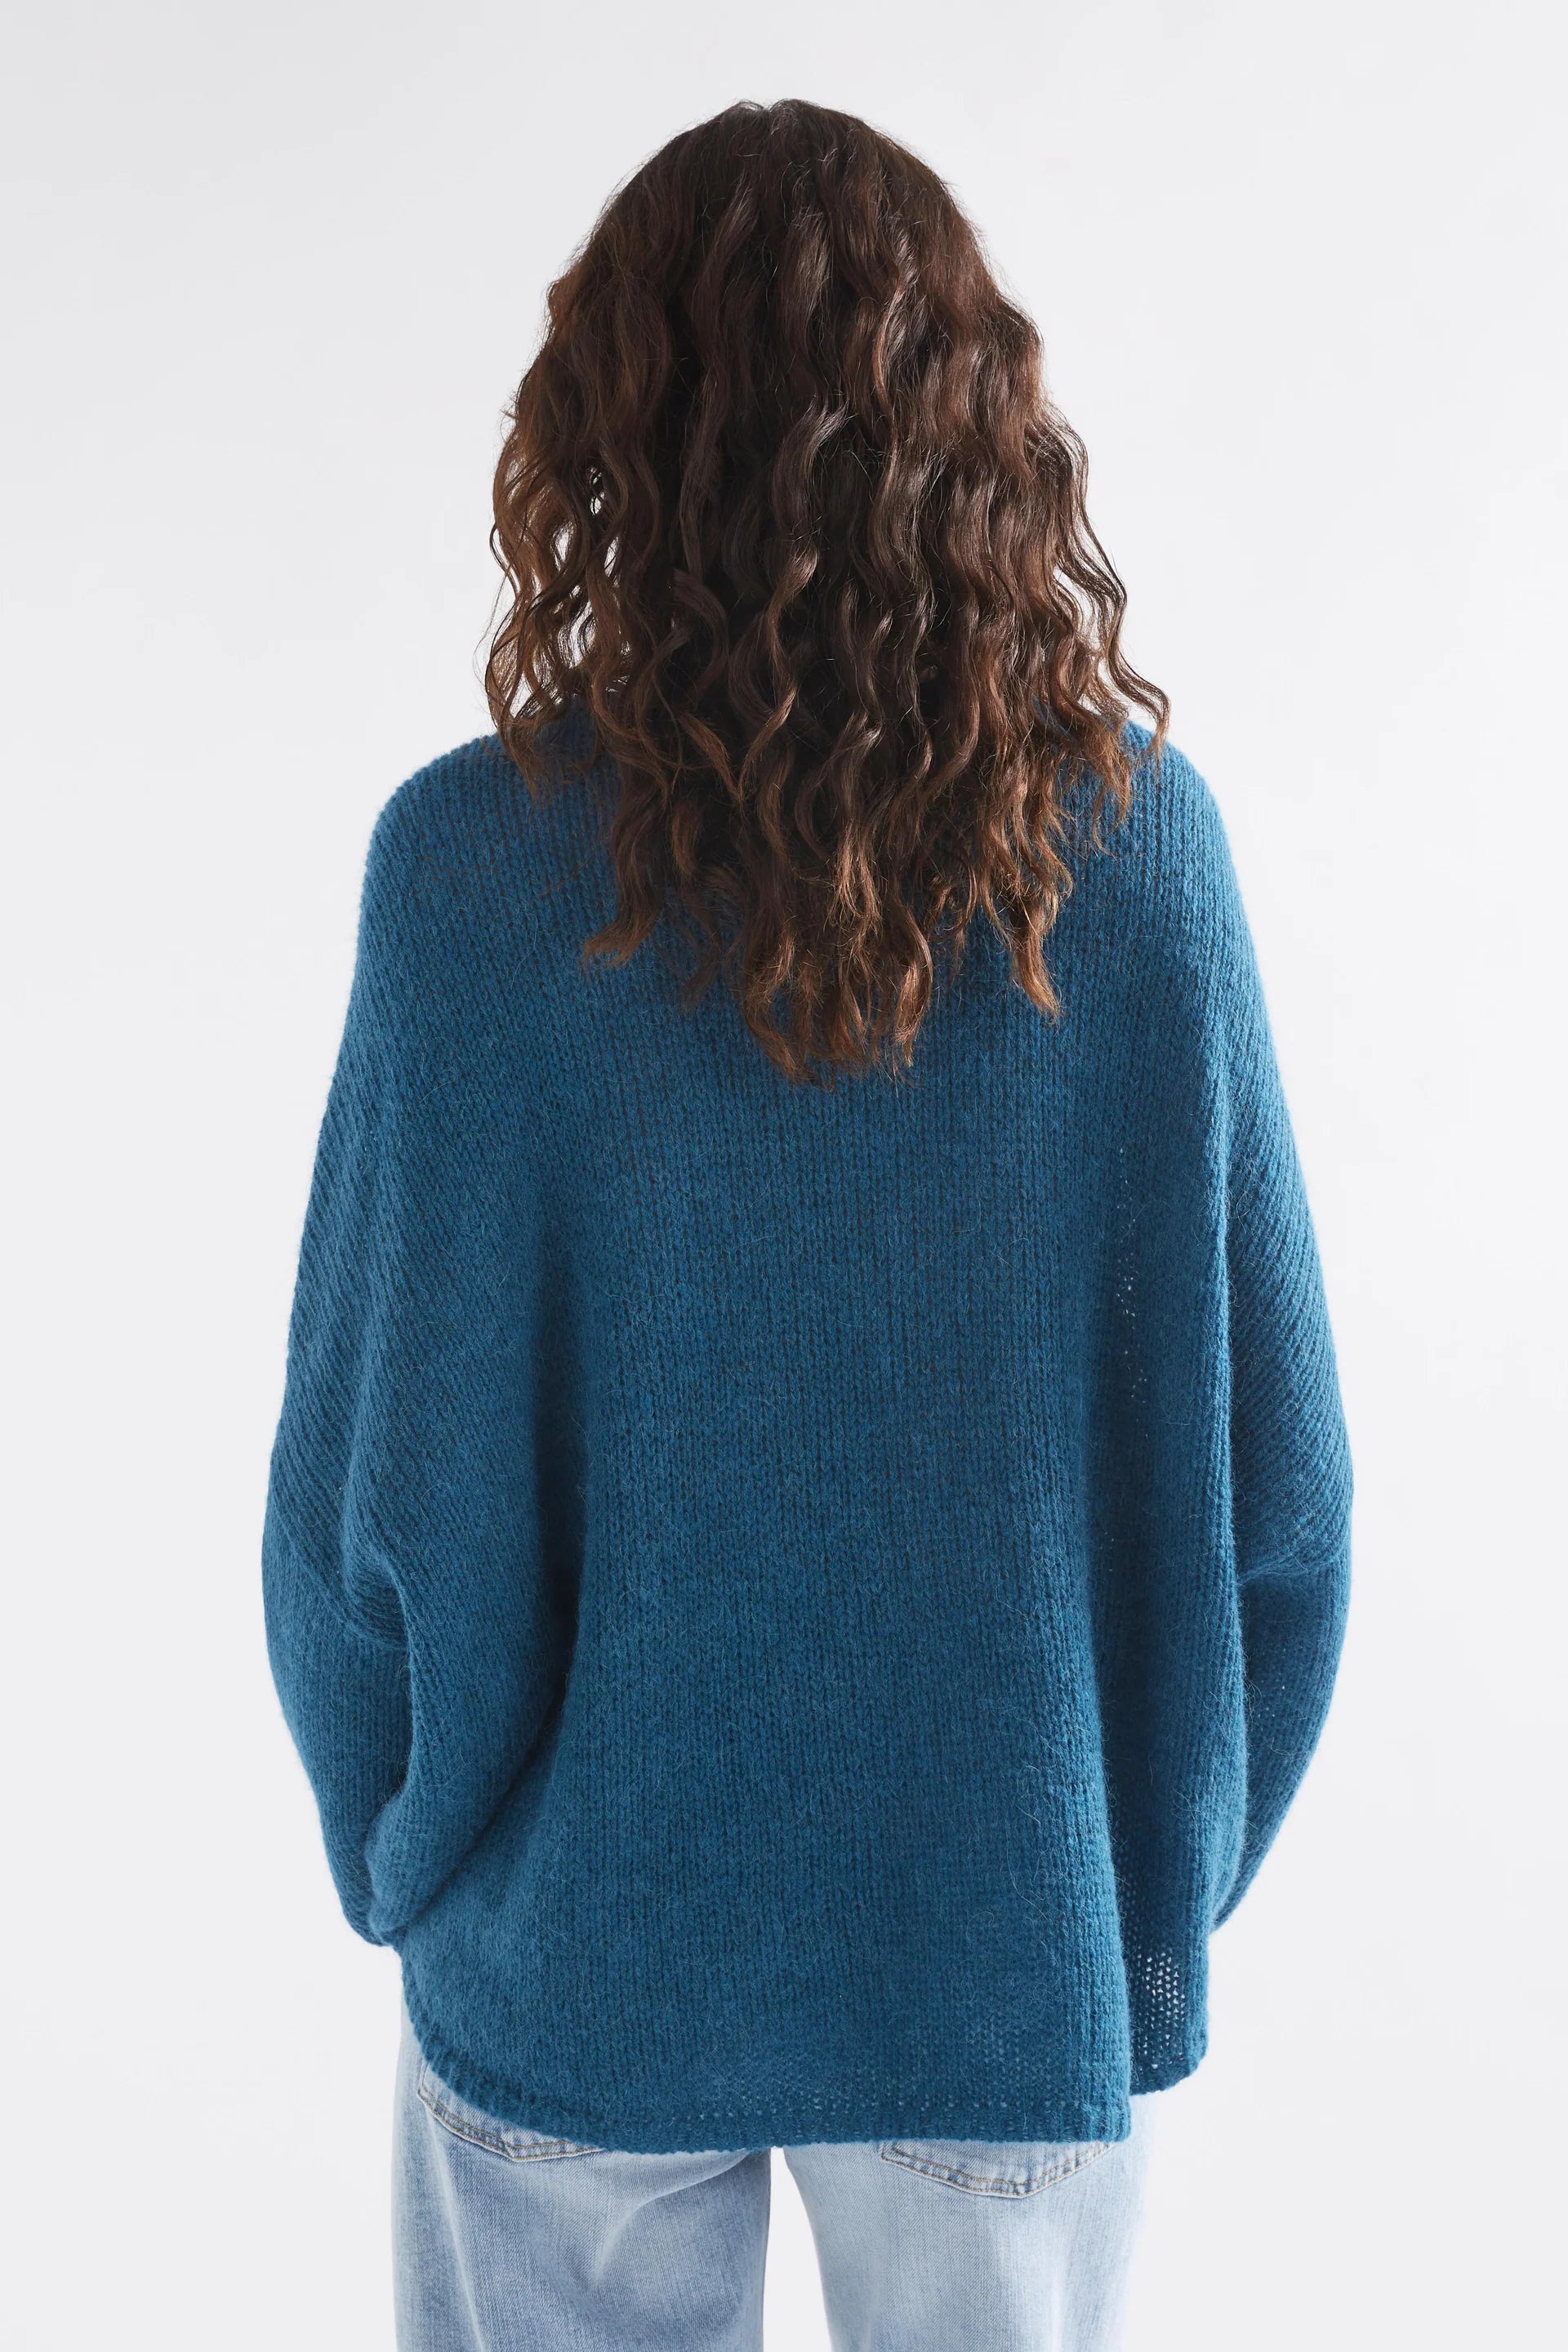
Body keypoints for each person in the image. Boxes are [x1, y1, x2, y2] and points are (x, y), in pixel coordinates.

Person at [262, 98, 1352, 2352]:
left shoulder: (470, 878)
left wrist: (420, 1850)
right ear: (982, 440)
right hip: (999, 1951)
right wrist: (1117, 1893)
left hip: (577, 1950)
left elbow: (368, 1506)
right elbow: (1284, 1512)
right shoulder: (1139, 872)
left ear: (606, 439)